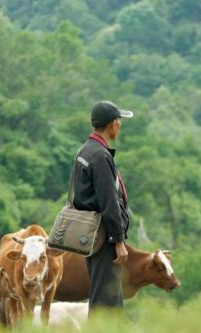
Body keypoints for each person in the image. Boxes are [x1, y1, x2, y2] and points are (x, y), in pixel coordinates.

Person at [72, 100, 133, 313]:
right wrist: (118, 240)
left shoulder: (86, 150)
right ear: (112, 124)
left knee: (108, 299)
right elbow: (109, 202)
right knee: (106, 303)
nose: (120, 125)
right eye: (119, 121)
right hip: (104, 238)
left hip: (92, 237)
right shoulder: (100, 155)